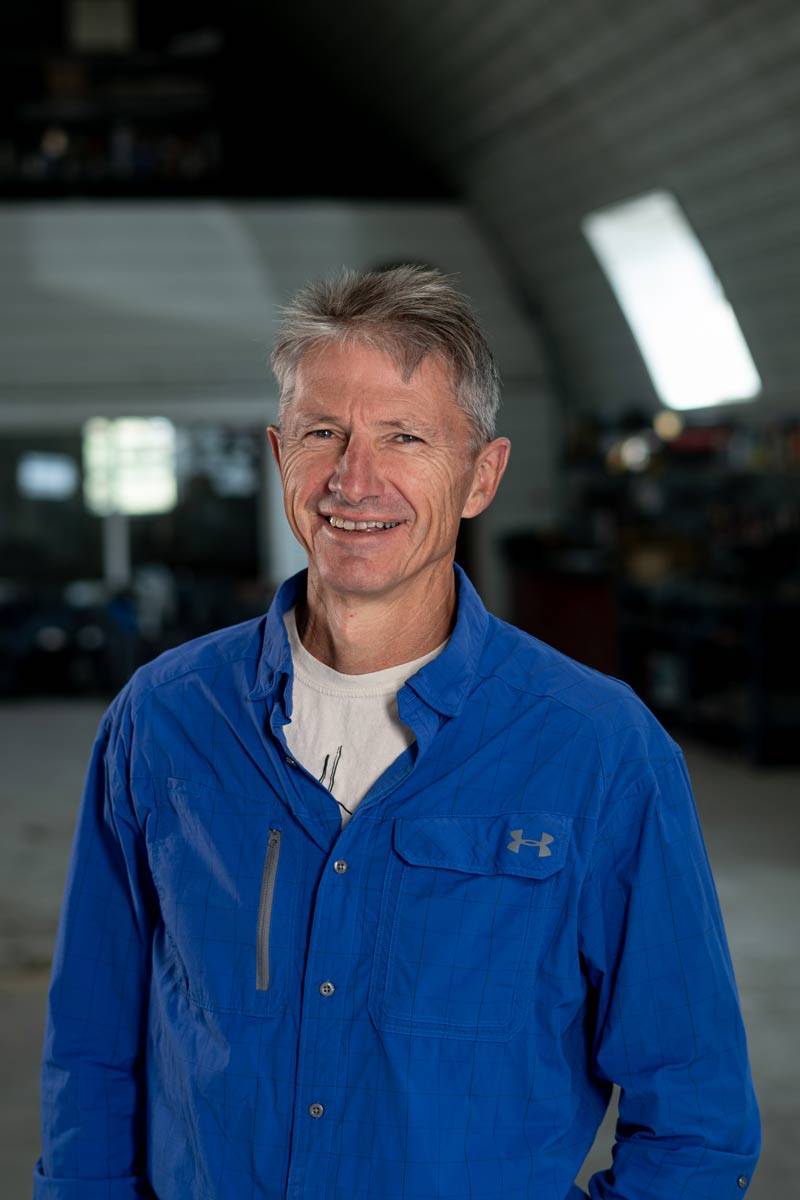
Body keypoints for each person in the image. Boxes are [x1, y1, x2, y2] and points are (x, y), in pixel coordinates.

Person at [35, 267, 760, 1200]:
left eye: (405, 437)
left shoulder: (598, 751)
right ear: (279, 455)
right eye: (322, 433)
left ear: (480, 476)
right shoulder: (164, 720)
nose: (354, 479)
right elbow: (91, 1054)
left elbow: (697, 1123)